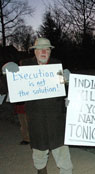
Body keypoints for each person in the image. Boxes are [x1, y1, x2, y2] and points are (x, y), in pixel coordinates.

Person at [2, 38, 73, 174]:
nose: (43, 52)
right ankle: (41, 170)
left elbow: (63, 91)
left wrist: (68, 85)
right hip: (36, 119)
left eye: (47, 49)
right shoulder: (25, 67)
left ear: (50, 51)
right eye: (40, 49)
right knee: (39, 154)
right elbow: (13, 93)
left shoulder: (57, 65)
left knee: (63, 156)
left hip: (56, 119)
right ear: (34, 51)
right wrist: (6, 74)